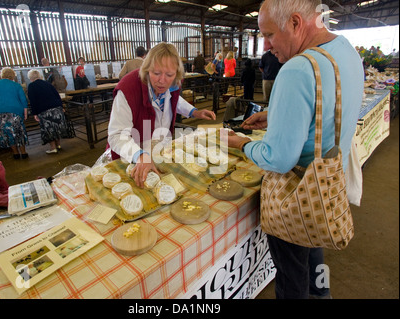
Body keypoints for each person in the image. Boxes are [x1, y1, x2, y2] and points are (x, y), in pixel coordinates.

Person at [225, 0, 364, 299]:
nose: (266, 44)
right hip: (324, 188)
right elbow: (326, 112)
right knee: (314, 252)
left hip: (296, 192)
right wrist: (277, 114)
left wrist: (242, 145)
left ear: (296, 23)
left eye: (270, 34)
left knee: (291, 278)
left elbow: (279, 158)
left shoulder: (297, 70)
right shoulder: (345, 51)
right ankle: (321, 295)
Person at [107, 42, 216, 188]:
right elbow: (116, 135)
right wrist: (139, 155)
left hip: (158, 149)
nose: (162, 80)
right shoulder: (128, 88)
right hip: (131, 153)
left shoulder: (173, 84)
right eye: (156, 73)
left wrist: (194, 111)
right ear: (146, 70)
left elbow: (175, 100)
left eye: (169, 75)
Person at [27, 69, 74, 154]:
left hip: (44, 111)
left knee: (48, 129)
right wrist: (61, 106)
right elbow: (57, 95)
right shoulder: (47, 84)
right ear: (39, 76)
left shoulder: (31, 86)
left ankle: (53, 147)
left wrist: (35, 113)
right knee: (56, 127)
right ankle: (58, 145)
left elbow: (33, 101)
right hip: (56, 108)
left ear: (30, 78)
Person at [0, 67, 29, 159]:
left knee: (8, 132)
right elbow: (23, 100)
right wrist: (25, 113)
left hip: (1, 113)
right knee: (19, 132)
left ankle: (15, 154)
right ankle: (24, 152)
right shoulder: (16, 85)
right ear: (12, 75)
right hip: (16, 112)